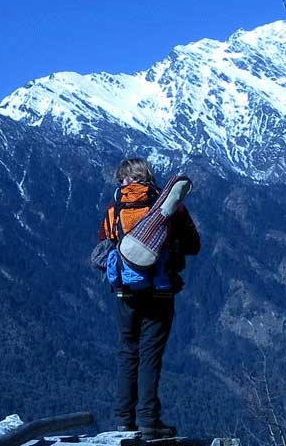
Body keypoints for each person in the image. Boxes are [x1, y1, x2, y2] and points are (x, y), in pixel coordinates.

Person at [99, 158, 200, 439]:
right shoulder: (167, 207)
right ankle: (148, 420)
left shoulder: (114, 208)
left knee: (128, 351)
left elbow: (103, 245)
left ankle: (122, 419)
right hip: (160, 290)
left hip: (125, 292)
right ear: (148, 177)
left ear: (124, 180)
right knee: (150, 354)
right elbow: (194, 244)